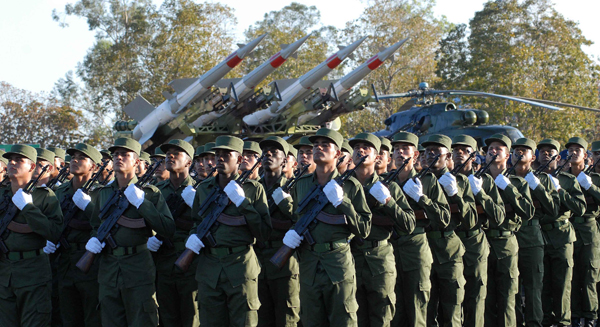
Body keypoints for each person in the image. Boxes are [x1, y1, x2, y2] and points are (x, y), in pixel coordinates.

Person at [283, 128, 371, 326]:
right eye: (315, 145)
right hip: (309, 264)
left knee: (343, 320)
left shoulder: (350, 186)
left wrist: (343, 202)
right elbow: (297, 218)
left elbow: (364, 228)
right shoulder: (301, 184)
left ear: (338, 153)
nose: (318, 148)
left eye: (325, 145)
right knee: (311, 320)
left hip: (337, 262)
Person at [85, 138, 175, 327]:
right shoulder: (103, 193)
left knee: (142, 320)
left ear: (136, 161)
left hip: (138, 269)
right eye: (116, 154)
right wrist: (94, 239)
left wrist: (143, 204)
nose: (118, 158)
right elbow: (95, 224)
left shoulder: (149, 193)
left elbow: (167, 228)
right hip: (109, 270)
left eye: (125, 155)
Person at [187, 135, 271, 327]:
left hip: (240, 268)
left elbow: (264, 233)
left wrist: (243, 203)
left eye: (227, 154)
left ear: (239, 159)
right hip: (210, 269)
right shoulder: (204, 189)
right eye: (217, 154)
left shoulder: (253, 190)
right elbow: (196, 222)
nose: (220, 158)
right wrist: (192, 237)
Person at [349, 132, 415, 327]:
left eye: (366, 147)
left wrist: (388, 201)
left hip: (379, 259)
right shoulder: (341, 187)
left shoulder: (389, 187)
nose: (360, 150)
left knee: (382, 317)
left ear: (377, 157)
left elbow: (409, 223)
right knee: (354, 318)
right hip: (349, 258)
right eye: (357, 147)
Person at [389, 132, 450, 327]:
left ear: (415, 154)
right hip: (390, 251)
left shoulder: (428, 181)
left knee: (418, 312)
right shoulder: (385, 183)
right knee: (394, 313)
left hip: (415, 251)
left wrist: (422, 199)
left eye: (405, 149)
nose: (400, 152)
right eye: (396, 149)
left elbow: (444, 218)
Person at [0, 144, 63, 327]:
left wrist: (28, 208)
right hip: (4, 274)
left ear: (32, 167)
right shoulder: (1, 194)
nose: (12, 163)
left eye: (19, 160)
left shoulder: (45, 197)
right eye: (10, 160)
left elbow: (54, 232)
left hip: (33, 274)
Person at [476, 134, 532, 327]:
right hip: (482, 243)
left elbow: (528, 211)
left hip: (506, 242)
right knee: (486, 297)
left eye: (498, 148)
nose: (493, 151)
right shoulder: (477, 182)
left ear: (508, 155)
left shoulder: (517, 183)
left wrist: (508, 188)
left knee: (509, 297)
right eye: (490, 148)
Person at [44, 143, 103, 327]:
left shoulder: (101, 193)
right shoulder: (59, 192)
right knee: (68, 317)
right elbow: (52, 222)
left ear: (93, 166)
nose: (75, 160)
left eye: (82, 157)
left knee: (92, 318)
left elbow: (106, 224)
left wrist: (89, 208)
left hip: (91, 262)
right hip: (65, 261)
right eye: (73, 157)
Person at [149, 139, 199, 327]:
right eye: (168, 153)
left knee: (191, 318)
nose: (170, 156)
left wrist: (196, 205)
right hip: (163, 263)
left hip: (190, 265)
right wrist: (150, 238)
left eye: (176, 153)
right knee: (167, 318)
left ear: (188, 162)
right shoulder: (156, 191)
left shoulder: (200, 190)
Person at [422, 134, 470, 327]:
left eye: (436, 150)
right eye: (427, 151)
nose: (431, 154)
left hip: (449, 250)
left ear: (447, 156)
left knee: (452, 309)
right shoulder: (418, 181)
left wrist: (456, 195)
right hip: (424, 250)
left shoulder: (459, 182)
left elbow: (470, 219)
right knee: (427, 307)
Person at [510, 138, 558, 327]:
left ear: (532, 157)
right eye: (516, 150)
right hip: (508, 238)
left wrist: (536, 185)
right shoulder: (503, 178)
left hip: (531, 237)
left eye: (524, 150)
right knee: (511, 288)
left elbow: (553, 210)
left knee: (533, 288)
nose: (519, 153)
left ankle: (534, 323)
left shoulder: (544, 179)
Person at [537, 138, 585, 327]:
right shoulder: (532, 179)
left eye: (550, 152)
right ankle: (546, 321)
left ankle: (563, 322)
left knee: (563, 285)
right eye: (542, 152)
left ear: (558, 157)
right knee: (543, 285)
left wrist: (559, 190)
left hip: (561, 235)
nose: (546, 155)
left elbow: (579, 208)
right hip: (540, 236)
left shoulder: (567, 180)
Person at [255, 136, 300, 327]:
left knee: (286, 317)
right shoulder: (252, 188)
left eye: (275, 152)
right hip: (257, 260)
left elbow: (302, 221)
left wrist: (285, 205)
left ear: (284, 160)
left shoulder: (294, 187)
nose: (269, 155)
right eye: (265, 152)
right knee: (261, 316)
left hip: (284, 261)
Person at [452, 135, 489, 327]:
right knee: (453, 296)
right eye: (455, 150)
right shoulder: (444, 179)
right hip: (451, 240)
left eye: (464, 150)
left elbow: (496, 214)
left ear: (473, 156)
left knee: (476, 294)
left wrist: (480, 194)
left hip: (474, 240)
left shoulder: (483, 180)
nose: (458, 154)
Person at [565, 137, 598, 327]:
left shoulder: (594, 178)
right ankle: (575, 316)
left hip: (588, 229)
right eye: (570, 149)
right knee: (572, 276)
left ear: (586, 155)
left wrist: (590, 186)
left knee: (589, 276)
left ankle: (591, 317)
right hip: (568, 230)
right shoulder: (561, 177)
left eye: (578, 150)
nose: (573, 152)